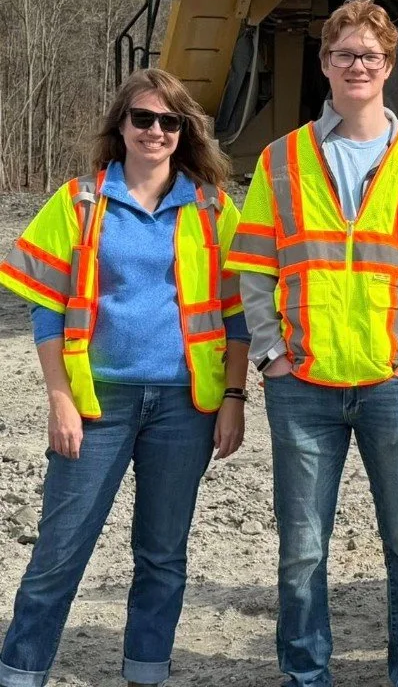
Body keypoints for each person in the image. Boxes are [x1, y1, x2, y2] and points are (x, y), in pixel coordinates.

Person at [226, 0, 398, 687]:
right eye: (344, 54)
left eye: (370, 54)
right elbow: (253, 271)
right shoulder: (282, 159)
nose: (357, 64)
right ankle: (307, 677)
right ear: (326, 65)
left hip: (393, 386)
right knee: (302, 552)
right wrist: (272, 355)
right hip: (303, 389)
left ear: (389, 65)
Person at [0, 68, 249, 687]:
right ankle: (20, 673)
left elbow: (239, 315)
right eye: (143, 118)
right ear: (121, 125)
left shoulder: (214, 206)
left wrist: (234, 398)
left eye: (170, 121)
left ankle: (146, 673)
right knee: (59, 553)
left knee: (162, 557)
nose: (156, 131)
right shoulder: (79, 201)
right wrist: (59, 397)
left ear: (184, 131)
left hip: (185, 404)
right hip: (97, 403)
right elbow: (46, 308)